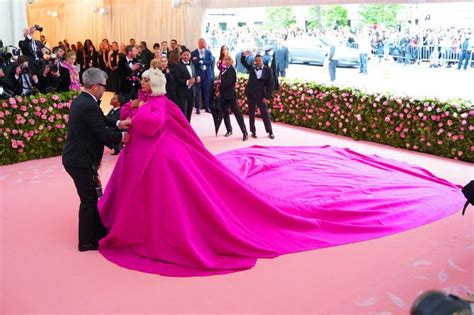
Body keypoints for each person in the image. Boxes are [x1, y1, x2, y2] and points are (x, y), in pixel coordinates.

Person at [97, 67, 465, 277]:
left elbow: (153, 124)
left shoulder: (158, 105)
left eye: (146, 82)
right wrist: (130, 114)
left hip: (160, 158)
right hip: (147, 159)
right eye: (142, 82)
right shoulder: (147, 101)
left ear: (155, 84)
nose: (142, 85)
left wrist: (130, 120)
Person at [62, 68, 131, 252]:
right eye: (103, 86)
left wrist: (118, 123)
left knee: (91, 197)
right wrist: (123, 137)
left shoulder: (83, 100)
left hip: (78, 158)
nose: (105, 90)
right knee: (89, 200)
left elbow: (101, 119)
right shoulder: (88, 105)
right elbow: (102, 134)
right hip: (80, 160)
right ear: (94, 86)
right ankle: (86, 242)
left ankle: (96, 233)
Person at [241, 51, 275, 139]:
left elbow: (271, 84)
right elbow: (243, 62)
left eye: (259, 60)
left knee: (265, 114)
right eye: (256, 61)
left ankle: (270, 131)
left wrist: (267, 97)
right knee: (251, 113)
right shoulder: (252, 68)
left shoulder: (268, 70)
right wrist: (244, 55)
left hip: (261, 95)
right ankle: (253, 131)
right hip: (251, 94)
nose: (258, 62)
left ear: (262, 61)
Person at [218, 55, 248, 141]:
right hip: (223, 95)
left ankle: (244, 132)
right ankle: (229, 130)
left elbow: (228, 82)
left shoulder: (232, 70)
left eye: (228, 60)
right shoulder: (223, 70)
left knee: (237, 114)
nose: (227, 61)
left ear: (231, 61)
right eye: (225, 60)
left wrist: (219, 84)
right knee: (225, 113)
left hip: (230, 95)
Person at [191, 38, 215, 114]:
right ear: (198, 43)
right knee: (197, 91)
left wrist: (202, 62)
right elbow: (194, 61)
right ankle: (197, 107)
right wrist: (200, 58)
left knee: (206, 91)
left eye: (204, 42)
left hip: (206, 74)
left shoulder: (208, 52)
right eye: (201, 42)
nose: (203, 44)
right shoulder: (194, 52)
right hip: (198, 74)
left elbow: (211, 61)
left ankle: (207, 107)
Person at [174, 48, 198, 121]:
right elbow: (177, 79)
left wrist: (196, 79)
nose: (186, 56)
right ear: (181, 56)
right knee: (183, 111)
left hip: (191, 91)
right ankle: (182, 128)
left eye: (188, 55)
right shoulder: (178, 66)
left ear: (190, 55)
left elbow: (193, 75)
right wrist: (187, 82)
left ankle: (188, 127)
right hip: (182, 92)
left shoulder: (192, 64)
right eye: (184, 55)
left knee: (189, 111)